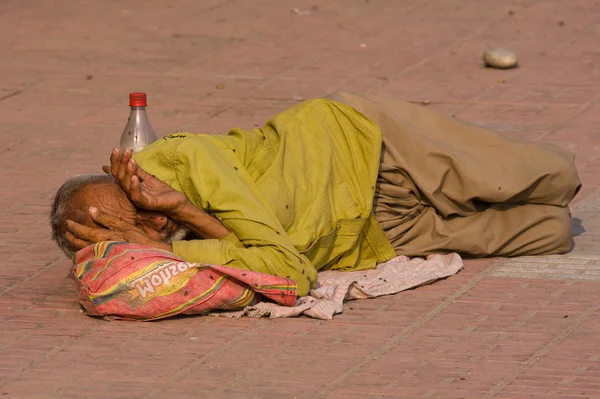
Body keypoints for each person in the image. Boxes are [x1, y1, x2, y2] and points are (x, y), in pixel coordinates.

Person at [50, 93, 581, 296]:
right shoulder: (168, 265)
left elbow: (279, 260)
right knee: (552, 232)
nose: (157, 224)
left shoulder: (184, 159)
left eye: (141, 205)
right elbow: (291, 271)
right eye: (138, 231)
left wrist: (181, 209)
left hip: (368, 148)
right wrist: (169, 241)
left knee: (554, 176)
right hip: (375, 234)